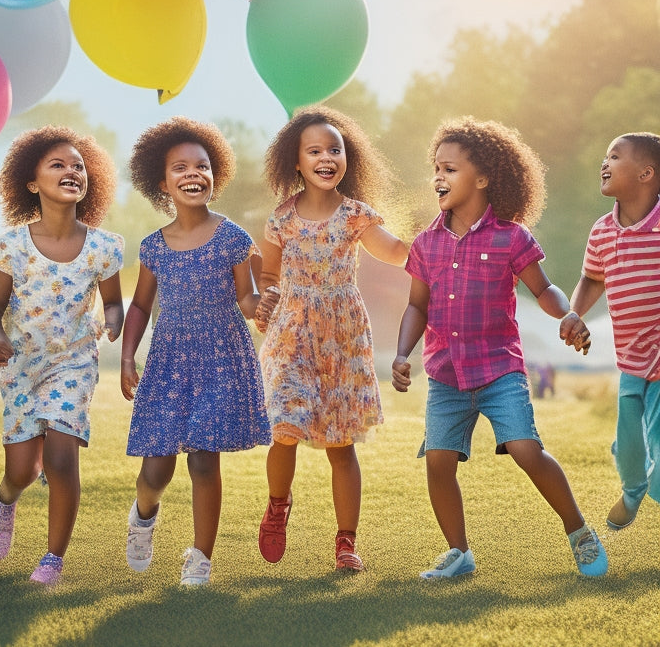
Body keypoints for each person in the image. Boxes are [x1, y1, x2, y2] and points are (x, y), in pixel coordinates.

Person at [391, 116, 607, 580]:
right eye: (436, 168)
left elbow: (544, 290)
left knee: (526, 449)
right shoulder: (426, 243)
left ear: (484, 178)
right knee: (438, 460)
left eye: (449, 169)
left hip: (498, 370)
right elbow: (416, 306)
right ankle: (458, 553)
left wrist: (568, 314)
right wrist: (402, 353)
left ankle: (579, 531)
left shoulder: (511, 236)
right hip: (446, 373)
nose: (438, 177)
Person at [254, 106, 408, 572]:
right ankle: (278, 505)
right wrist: (269, 297)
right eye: (314, 150)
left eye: (334, 149)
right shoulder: (281, 219)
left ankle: (346, 542)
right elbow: (269, 273)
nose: (326, 157)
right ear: (295, 162)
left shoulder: (356, 215)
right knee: (284, 424)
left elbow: (397, 253)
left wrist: (440, 236)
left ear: (347, 158)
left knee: (342, 446)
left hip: (342, 337)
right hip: (293, 331)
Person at [121, 117, 270, 587]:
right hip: (169, 364)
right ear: (162, 182)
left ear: (215, 175)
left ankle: (200, 558)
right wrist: (127, 358)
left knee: (205, 459)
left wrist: (262, 303)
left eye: (202, 166)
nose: (193, 174)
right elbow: (141, 305)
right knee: (156, 469)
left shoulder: (232, 238)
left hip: (222, 359)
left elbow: (246, 300)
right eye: (180, 167)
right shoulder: (154, 248)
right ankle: (143, 516)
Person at [0, 126, 124, 586]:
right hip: (22, 367)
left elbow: (114, 302)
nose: (71, 171)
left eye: (78, 165)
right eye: (58, 164)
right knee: (21, 471)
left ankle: (52, 559)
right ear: (32, 182)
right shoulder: (11, 245)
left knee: (62, 458)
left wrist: (115, 320)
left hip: (74, 364)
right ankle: (6, 498)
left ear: (89, 180)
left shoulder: (104, 247)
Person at [564, 132, 660, 532]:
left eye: (615, 157)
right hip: (630, 363)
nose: (604, 163)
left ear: (645, 173)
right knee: (632, 452)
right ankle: (633, 487)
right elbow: (591, 280)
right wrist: (573, 314)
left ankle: (644, 487)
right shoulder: (602, 231)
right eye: (604, 156)